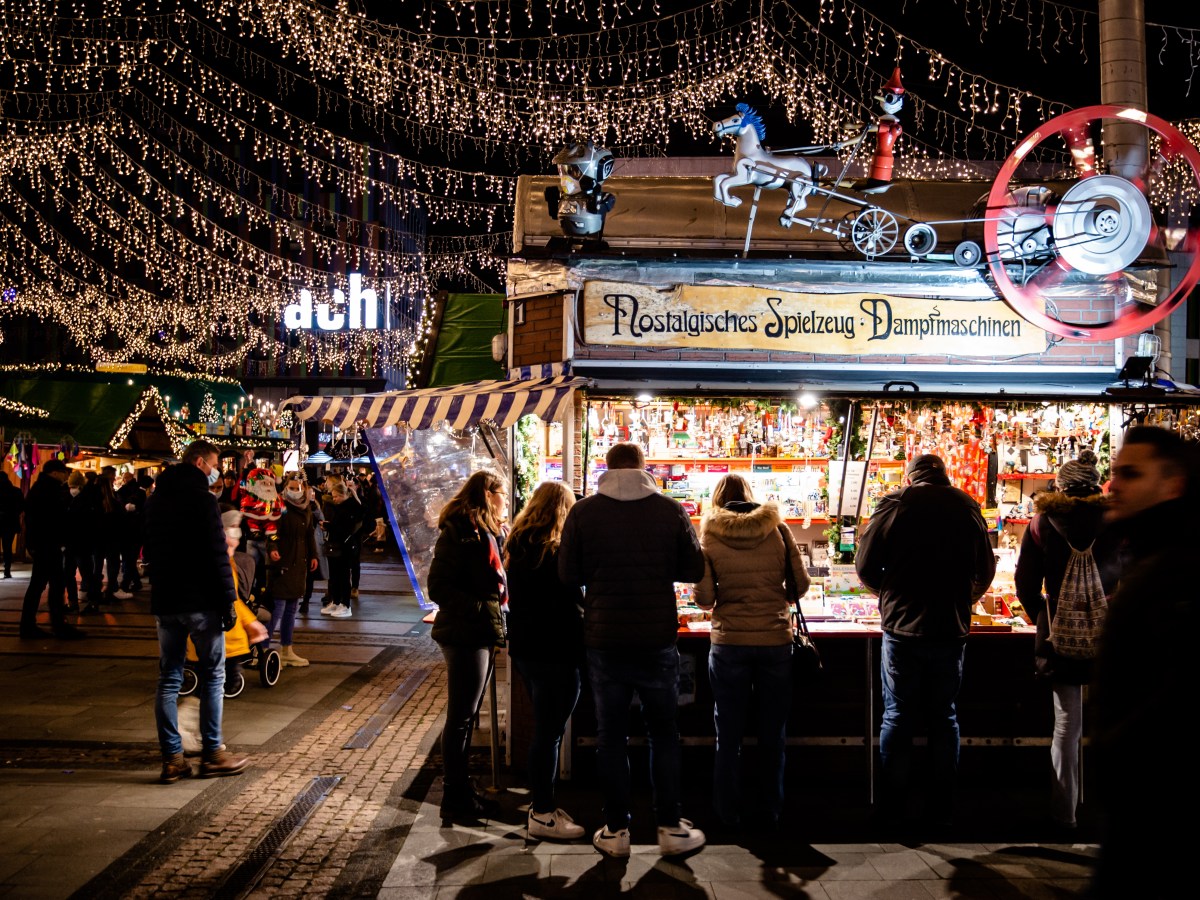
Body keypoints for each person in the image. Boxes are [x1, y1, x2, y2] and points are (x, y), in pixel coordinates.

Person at [558, 442, 707, 858]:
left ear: (606, 468)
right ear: (644, 468)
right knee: (664, 734)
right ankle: (670, 825)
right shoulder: (669, 510)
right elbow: (693, 568)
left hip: (604, 640)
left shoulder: (584, 511)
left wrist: (601, 575)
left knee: (611, 737)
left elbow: (568, 573)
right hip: (656, 638)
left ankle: (616, 829)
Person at [854, 453, 995, 832]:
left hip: (902, 628)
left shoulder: (897, 503)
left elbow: (865, 566)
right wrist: (964, 601)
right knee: (943, 716)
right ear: (944, 476)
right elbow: (986, 570)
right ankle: (941, 807)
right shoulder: (966, 505)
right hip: (950, 628)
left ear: (911, 477)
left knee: (898, 716)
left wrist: (888, 596)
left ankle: (892, 808)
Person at [1090, 427, 1197, 899]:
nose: (1113, 486)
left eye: (1130, 475)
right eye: (1114, 474)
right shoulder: (1148, 554)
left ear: (1172, 484)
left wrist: (1120, 752)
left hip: (1158, 804)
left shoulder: (1179, 568)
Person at [693, 473, 808, 832]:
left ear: (718, 499)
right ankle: (771, 809)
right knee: (773, 732)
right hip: (774, 640)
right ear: (750, 495)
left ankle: (727, 811)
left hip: (729, 643)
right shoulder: (778, 530)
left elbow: (705, 599)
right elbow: (800, 586)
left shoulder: (710, 534)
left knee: (728, 732)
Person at [1014, 450, 1119, 832]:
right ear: (1094, 486)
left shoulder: (1042, 522)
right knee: (1115, 720)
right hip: (1110, 632)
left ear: (1061, 485)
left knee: (1066, 725)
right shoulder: (1116, 520)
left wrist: (1041, 616)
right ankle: (1116, 809)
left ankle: (1065, 813)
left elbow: (1025, 581)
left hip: (1059, 630)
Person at [143, 439, 250, 783]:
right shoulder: (204, 501)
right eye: (215, 465)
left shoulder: (156, 501)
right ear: (202, 463)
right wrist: (228, 601)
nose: (216, 474)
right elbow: (217, 555)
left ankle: (172, 758)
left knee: (169, 678)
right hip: (201, 601)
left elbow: (149, 551)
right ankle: (213, 754)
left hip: (167, 601)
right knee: (213, 675)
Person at [504, 481, 586, 841]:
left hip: (526, 649)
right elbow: (572, 602)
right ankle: (542, 812)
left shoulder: (518, 544)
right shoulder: (558, 551)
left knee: (545, 727)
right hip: (557, 649)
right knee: (549, 733)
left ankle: (544, 804)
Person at [428, 470, 508, 823]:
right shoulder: (459, 532)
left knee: (467, 713)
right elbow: (439, 588)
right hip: (464, 634)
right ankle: (455, 797)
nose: (506, 501)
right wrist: (480, 608)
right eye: (502, 494)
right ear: (489, 495)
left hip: (479, 630)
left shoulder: (488, 532)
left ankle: (462, 789)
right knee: (460, 717)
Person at [19, 459, 86, 640]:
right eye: (64, 472)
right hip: (48, 543)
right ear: (55, 472)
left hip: (42, 543)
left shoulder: (40, 488)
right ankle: (55, 625)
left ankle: (32, 625)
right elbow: (55, 518)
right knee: (53, 584)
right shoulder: (50, 490)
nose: (66, 476)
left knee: (42, 584)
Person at [268, 473, 318, 666]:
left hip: (300, 561)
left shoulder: (306, 507)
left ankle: (286, 649)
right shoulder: (279, 506)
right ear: (286, 487)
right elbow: (272, 531)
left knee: (291, 608)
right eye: (292, 488)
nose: (295, 492)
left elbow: (310, 534)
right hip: (284, 559)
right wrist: (272, 548)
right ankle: (263, 648)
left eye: (298, 488)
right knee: (277, 606)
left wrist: (313, 555)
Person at [321, 477, 363, 618]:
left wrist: (328, 525)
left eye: (337, 496)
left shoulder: (350, 507)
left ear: (343, 495)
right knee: (335, 576)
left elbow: (344, 528)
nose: (335, 499)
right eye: (334, 497)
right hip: (337, 545)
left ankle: (345, 604)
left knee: (343, 576)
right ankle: (337, 601)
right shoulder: (341, 508)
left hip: (345, 547)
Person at [116, 472, 147, 593]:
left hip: (129, 531)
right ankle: (135, 582)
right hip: (136, 532)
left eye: (125, 478)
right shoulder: (140, 492)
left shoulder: (125, 492)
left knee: (128, 559)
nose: (123, 480)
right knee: (130, 559)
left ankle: (125, 584)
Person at [0, 472, 23, 579]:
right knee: (7, 547)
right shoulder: (16, 491)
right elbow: (22, 507)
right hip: (10, 523)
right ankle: (7, 570)